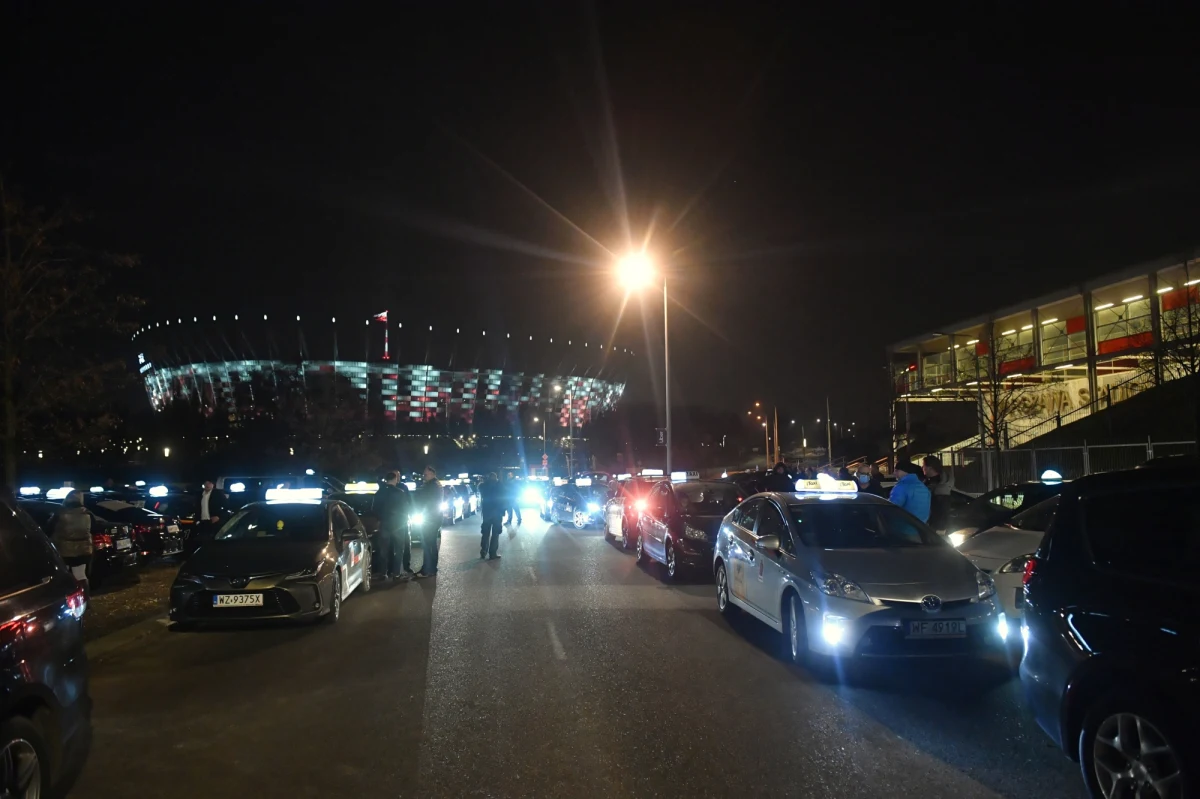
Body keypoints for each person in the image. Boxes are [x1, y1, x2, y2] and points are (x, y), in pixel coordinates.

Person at [371, 471, 413, 580]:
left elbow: (374, 509)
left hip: (385, 524)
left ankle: (383, 572)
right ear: (395, 479)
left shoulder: (379, 493)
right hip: (398, 524)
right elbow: (406, 508)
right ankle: (396, 573)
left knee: (383, 550)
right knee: (399, 549)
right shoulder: (400, 492)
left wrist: (380, 519)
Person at [51, 490, 94, 586]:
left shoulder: (60, 513)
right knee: (80, 575)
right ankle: (84, 596)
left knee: (64, 575)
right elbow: (94, 529)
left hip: (64, 550)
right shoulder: (87, 513)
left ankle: (66, 596)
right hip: (83, 550)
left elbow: (49, 528)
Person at [414, 465, 443, 577]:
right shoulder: (435, 484)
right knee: (430, 544)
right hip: (433, 519)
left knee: (428, 544)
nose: (423, 477)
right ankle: (430, 568)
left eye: (425, 474)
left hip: (430, 519)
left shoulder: (432, 486)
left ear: (432, 474)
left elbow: (427, 502)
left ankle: (428, 569)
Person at [922, 455, 955, 530]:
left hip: (936, 526)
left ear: (930, 468)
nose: (922, 468)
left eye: (924, 466)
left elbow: (941, 511)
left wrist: (940, 530)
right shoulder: (927, 482)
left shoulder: (942, 487)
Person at [478, 472, 505, 560]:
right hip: (497, 513)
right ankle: (492, 553)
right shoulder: (499, 486)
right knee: (495, 533)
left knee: (485, 533)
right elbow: (504, 498)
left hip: (487, 512)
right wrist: (503, 510)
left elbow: (481, 491)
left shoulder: (483, 486)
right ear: (496, 478)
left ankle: (483, 551)